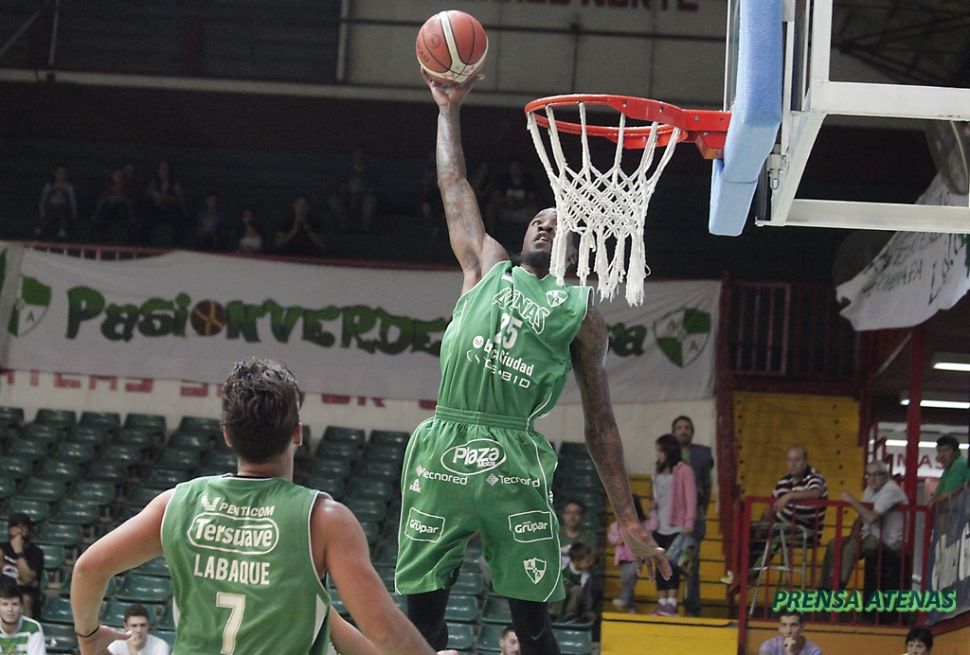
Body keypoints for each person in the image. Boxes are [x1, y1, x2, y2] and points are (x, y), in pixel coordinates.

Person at [395, 72, 670, 655]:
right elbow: (453, 184)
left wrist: (629, 520)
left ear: (575, 247)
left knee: (533, 621)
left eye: (558, 223)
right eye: (538, 221)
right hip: (445, 441)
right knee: (422, 618)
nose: (545, 225)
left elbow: (601, 426)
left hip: (515, 454)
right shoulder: (485, 265)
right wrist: (448, 109)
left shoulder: (582, 315)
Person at [71, 357, 443, 655]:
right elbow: (384, 631)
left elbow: (89, 568)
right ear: (298, 434)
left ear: (227, 435)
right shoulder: (324, 520)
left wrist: (89, 636)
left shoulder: (176, 504)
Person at [820, 460, 907, 591]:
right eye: (869, 475)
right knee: (834, 544)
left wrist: (851, 500)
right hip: (870, 535)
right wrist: (853, 535)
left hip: (888, 541)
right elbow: (859, 518)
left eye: (877, 474)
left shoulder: (891, 490)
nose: (872, 478)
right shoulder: (870, 489)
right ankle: (824, 588)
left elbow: (871, 517)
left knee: (851, 549)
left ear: (886, 475)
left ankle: (838, 588)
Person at [646, 435, 697, 616]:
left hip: (676, 525)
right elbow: (655, 495)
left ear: (669, 451)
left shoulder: (684, 470)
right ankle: (661, 602)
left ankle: (672, 602)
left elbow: (691, 497)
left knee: (672, 564)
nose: (658, 454)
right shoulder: (656, 471)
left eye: (660, 450)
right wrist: (652, 506)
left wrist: (689, 521)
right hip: (658, 524)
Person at [671, 415, 712, 616]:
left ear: (692, 432)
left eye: (687, 427)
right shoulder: (667, 454)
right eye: (679, 428)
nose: (683, 431)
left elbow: (707, 487)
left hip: (695, 519)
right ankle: (669, 602)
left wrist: (698, 513)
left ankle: (692, 606)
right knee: (669, 561)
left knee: (690, 563)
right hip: (671, 519)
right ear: (673, 433)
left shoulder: (702, 456)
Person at [607, 495, 652, 614]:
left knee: (630, 576)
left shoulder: (644, 523)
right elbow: (611, 536)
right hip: (624, 558)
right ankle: (631, 607)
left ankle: (623, 599)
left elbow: (652, 527)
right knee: (626, 580)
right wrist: (617, 540)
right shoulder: (617, 525)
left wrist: (653, 512)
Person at [0, 513, 44, 618]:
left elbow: (27, 580)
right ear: (9, 530)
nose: (19, 531)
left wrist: (18, 551)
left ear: (29, 530)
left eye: (23, 527)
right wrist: (18, 580)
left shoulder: (36, 552)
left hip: (25, 593)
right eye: (15, 527)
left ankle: (27, 628)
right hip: (3, 590)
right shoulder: (2, 548)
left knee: (25, 600)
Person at [548, 543, 597, 623]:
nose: (590, 564)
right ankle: (552, 614)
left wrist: (588, 610)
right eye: (587, 561)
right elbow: (553, 552)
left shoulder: (586, 576)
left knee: (577, 589)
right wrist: (571, 550)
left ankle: (570, 615)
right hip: (556, 599)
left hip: (571, 602)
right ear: (576, 561)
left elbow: (587, 596)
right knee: (563, 587)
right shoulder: (564, 563)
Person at [0, 585, 45, 655]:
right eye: (5, 604)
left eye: (15, 604)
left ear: (22, 608)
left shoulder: (33, 628)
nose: (10, 609)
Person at [37, 163, 77, 239]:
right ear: (54, 173)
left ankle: (62, 230)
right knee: (49, 212)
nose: (61, 175)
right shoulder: (49, 186)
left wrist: (74, 213)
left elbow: (72, 201)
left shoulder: (68, 187)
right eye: (59, 173)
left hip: (63, 209)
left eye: (63, 173)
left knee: (62, 209)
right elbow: (43, 200)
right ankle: (40, 228)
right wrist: (42, 212)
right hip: (50, 208)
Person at [928, 434, 968, 509]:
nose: (942, 455)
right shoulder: (948, 468)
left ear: (957, 452)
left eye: (946, 450)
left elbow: (945, 496)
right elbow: (937, 495)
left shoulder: (960, 464)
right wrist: (934, 501)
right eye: (939, 451)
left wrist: (934, 502)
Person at [758, 612, 822, 655]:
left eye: (793, 625)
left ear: (802, 627)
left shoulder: (813, 651)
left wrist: (790, 653)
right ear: (779, 627)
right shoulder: (769, 646)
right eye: (784, 625)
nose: (788, 631)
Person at [557, 500, 599, 565]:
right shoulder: (555, 532)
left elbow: (592, 558)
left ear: (583, 516)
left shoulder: (589, 536)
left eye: (576, 513)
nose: (572, 516)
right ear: (563, 515)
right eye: (568, 512)